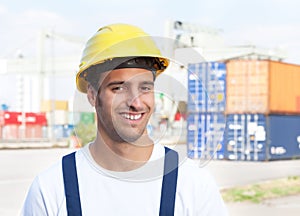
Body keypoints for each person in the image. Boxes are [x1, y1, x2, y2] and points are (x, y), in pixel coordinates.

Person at [21, 23, 228, 216]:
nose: (136, 103)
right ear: (92, 95)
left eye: (145, 88)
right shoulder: (52, 189)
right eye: (118, 88)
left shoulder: (192, 184)